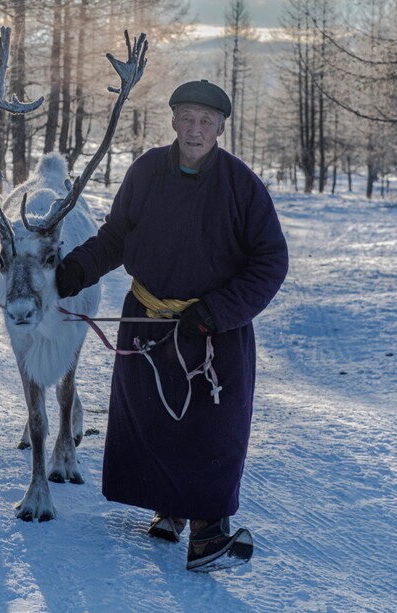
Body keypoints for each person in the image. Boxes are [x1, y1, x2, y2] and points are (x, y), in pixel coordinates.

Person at [55, 79, 289, 572]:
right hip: (147, 322)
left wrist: (216, 313)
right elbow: (116, 236)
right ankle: (171, 508)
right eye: (188, 118)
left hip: (211, 333)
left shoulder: (242, 186)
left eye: (206, 121)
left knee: (212, 431)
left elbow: (270, 261)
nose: (195, 129)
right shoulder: (145, 173)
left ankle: (209, 534)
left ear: (221, 127)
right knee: (157, 423)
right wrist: (77, 270)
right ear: (175, 121)